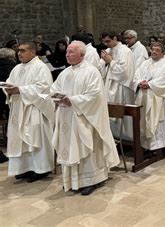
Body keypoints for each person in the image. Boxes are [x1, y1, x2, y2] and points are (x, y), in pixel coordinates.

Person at [50, 41, 120, 195]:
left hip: (85, 118)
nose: (67, 54)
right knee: (69, 148)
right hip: (67, 117)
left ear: (82, 54)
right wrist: (56, 97)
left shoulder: (91, 71)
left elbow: (94, 96)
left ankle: (92, 180)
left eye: (71, 52)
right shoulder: (65, 72)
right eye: (67, 52)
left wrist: (72, 100)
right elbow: (54, 88)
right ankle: (72, 180)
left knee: (87, 148)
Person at [4, 42, 55, 182]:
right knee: (20, 140)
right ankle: (24, 168)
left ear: (32, 52)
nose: (19, 53)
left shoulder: (40, 67)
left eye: (23, 50)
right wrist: (7, 89)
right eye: (18, 51)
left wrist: (20, 90)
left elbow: (44, 89)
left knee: (35, 138)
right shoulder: (17, 68)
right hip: (19, 109)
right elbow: (10, 82)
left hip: (35, 109)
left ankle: (41, 169)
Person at [99, 31, 136, 139]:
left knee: (123, 115)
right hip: (109, 84)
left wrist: (111, 61)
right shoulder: (107, 51)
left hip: (121, 86)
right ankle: (113, 138)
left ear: (115, 38)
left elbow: (125, 71)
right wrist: (105, 62)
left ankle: (128, 138)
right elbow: (100, 68)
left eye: (108, 41)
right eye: (104, 42)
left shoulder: (125, 51)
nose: (106, 44)